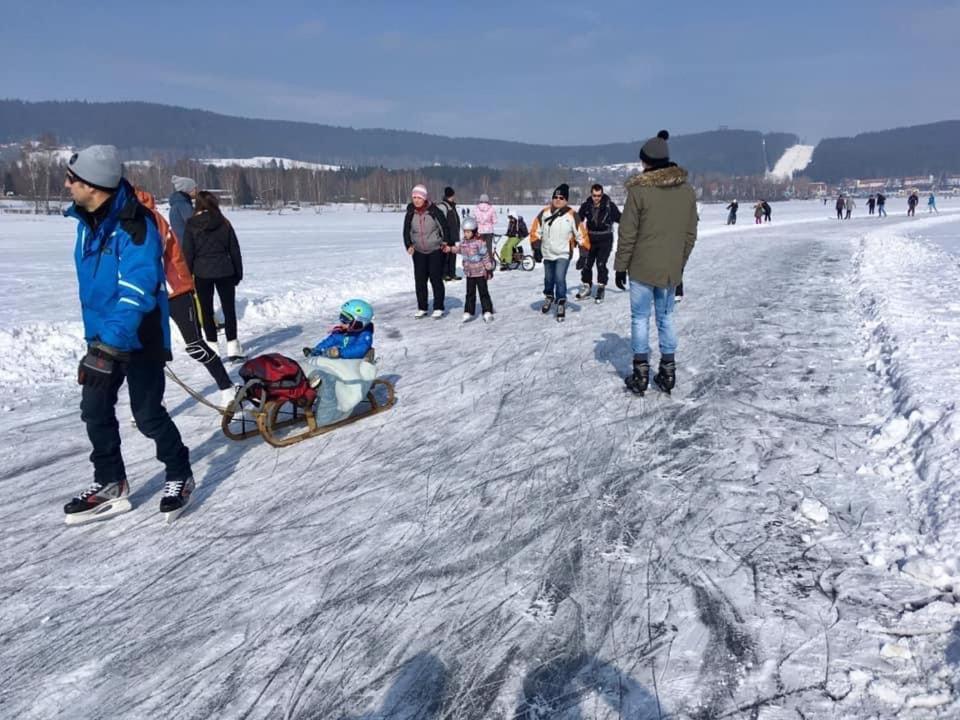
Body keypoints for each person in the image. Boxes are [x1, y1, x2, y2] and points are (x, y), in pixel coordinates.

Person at [61, 145, 193, 524]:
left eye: (72, 179)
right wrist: (98, 343)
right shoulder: (87, 223)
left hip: (140, 337)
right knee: (95, 411)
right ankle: (110, 483)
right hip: (104, 336)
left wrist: (109, 345)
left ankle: (180, 472)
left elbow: (137, 290)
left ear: (92, 184)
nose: (67, 185)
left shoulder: (135, 226)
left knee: (148, 414)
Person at [614, 130, 697, 396]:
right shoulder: (686, 191)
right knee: (666, 317)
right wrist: (679, 262)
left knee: (640, 318)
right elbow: (690, 233)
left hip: (641, 268)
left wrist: (619, 266)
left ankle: (640, 374)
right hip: (670, 269)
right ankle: (668, 371)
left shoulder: (639, 191)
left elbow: (627, 233)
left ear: (648, 162)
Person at [137, 188, 235, 406]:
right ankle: (153, 402)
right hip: (150, 294)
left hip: (175, 290)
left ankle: (227, 387)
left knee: (195, 345)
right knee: (150, 350)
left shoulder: (150, 218)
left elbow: (151, 255)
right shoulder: (120, 223)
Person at [182, 191, 245, 360]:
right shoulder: (224, 222)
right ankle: (233, 347)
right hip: (225, 270)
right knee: (229, 309)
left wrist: (187, 277)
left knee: (206, 310)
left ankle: (212, 347)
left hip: (202, 272)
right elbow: (234, 249)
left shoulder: (191, 224)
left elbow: (188, 253)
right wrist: (238, 272)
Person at [529, 183, 589, 321]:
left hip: (563, 253)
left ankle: (561, 300)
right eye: (555, 197)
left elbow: (582, 235)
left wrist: (583, 255)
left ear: (566, 200)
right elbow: (535, 231)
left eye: (561, 197)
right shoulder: (544, 213)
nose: (558, 199)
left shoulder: (572, 215)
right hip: (548, 252)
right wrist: (536, 248)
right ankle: (549, 296)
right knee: (549, 278)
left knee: (559, 277)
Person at [403, 184, 451, 318]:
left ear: (424, 198)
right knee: (420, 280)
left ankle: (438, 306)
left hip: (435, 249)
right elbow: (406, 230)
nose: (416, 200)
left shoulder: (434, 211)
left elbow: (444, 227)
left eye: (419, 198)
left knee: (435, 279)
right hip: (418, 251)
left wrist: (445, 242)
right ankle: (422, 307)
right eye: (414, 198)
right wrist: (409, 245)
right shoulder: (411, 212)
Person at [444, 215, 495, 322]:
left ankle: (487, 310)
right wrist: (450, 249)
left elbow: (485, 256)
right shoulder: (463, 242)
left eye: (468, 232)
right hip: (469, 273)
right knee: (470, 293)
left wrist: (489, 268)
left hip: (480, 273)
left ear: (474, 231)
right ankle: (469, 311)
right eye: (465, 232)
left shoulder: (479, 242)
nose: (466, 234)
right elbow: (459, 250)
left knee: (483, 292)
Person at [576, 183, 621, 303]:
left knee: (601, 263)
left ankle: (601, 286)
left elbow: (620, 218)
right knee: (587, 263)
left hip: (605, 238)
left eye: (599, 195)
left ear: (602, 194)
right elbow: (577, 220)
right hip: (590, 238)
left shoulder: (609, 206)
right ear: (591, 194)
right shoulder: (586, 205)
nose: (597, 198)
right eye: (594, 195)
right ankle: (587, 286)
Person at [303, 299, 375, 360]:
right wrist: (316, 350)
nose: (341, 322)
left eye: (345, 319)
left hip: (357, 365)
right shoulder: (341, 331)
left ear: (359, 323)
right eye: (341, 317)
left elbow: (360, 349)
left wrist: (340, 352)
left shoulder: (365, 335)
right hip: (340, 363)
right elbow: (330, 341)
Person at [437, 186, 461, 281]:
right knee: (445, 255)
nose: (453, 197)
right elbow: (440, 221)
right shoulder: (443, 206)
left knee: (453, 254)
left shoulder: (452, 206)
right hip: (446, 235)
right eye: (452, 195)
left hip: (453, 235)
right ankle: (444, 273)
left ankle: (452, 273)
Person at [168, 175, 197, 245]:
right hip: (187, 246)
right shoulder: (183, 205)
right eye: (194, 188)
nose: (196, 190)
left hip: (182, 244)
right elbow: (195, 223)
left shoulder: (177, 203)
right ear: (187, 189)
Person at [473, 193, 498, 269]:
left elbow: (473, 219)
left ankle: (479, 263)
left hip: (479, 231)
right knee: (488, 248)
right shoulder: (491, 208)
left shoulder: (476, 209)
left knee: (479, 248)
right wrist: (489, 222)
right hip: (489, 231)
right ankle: (489, 264)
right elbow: (495, 220)